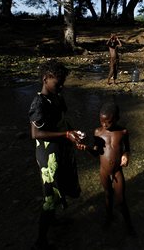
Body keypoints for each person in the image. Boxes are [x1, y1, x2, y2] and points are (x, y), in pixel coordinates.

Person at [28, 59, 85, 250]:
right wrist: (65, 135)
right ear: (45, 79)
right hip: (47, 154)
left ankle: (53, 221)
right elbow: (35, 134)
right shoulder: (39, 103)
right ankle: (40, 241)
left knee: (60, 185)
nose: (61, 86)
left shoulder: (57, 97)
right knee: (50, 196)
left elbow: (62, 121)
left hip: (60, 148)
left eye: (62, 82)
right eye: (57, 82)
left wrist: (72, 133)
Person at [83, 102, 134, 235]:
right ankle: (109, 217)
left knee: (121, 200)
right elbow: (96, 153)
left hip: (117, 172)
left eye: (109, 122)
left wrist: (126, 156)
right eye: (102, 121)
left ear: (117, 118)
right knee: (107, 195)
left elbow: (127, 149)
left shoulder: (123, 132)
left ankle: (128, 224)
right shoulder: (97, 132)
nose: (105, 124)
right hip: (104, 171)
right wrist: (87, 148)